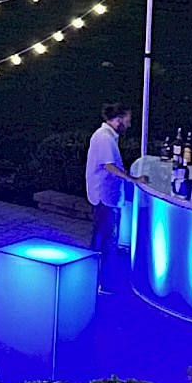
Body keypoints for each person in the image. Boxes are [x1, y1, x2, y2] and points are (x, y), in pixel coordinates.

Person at [86, 102, 134, 291]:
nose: (129, 125)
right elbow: (109, 165)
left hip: (103, 196)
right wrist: (132, 179)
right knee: (104, 240)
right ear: (118, 120)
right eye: (127, 120)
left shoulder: (104, 135)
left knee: (101, 238)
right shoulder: (105, 138)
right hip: (105, 197)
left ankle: (95, 279)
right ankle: (99, 281)